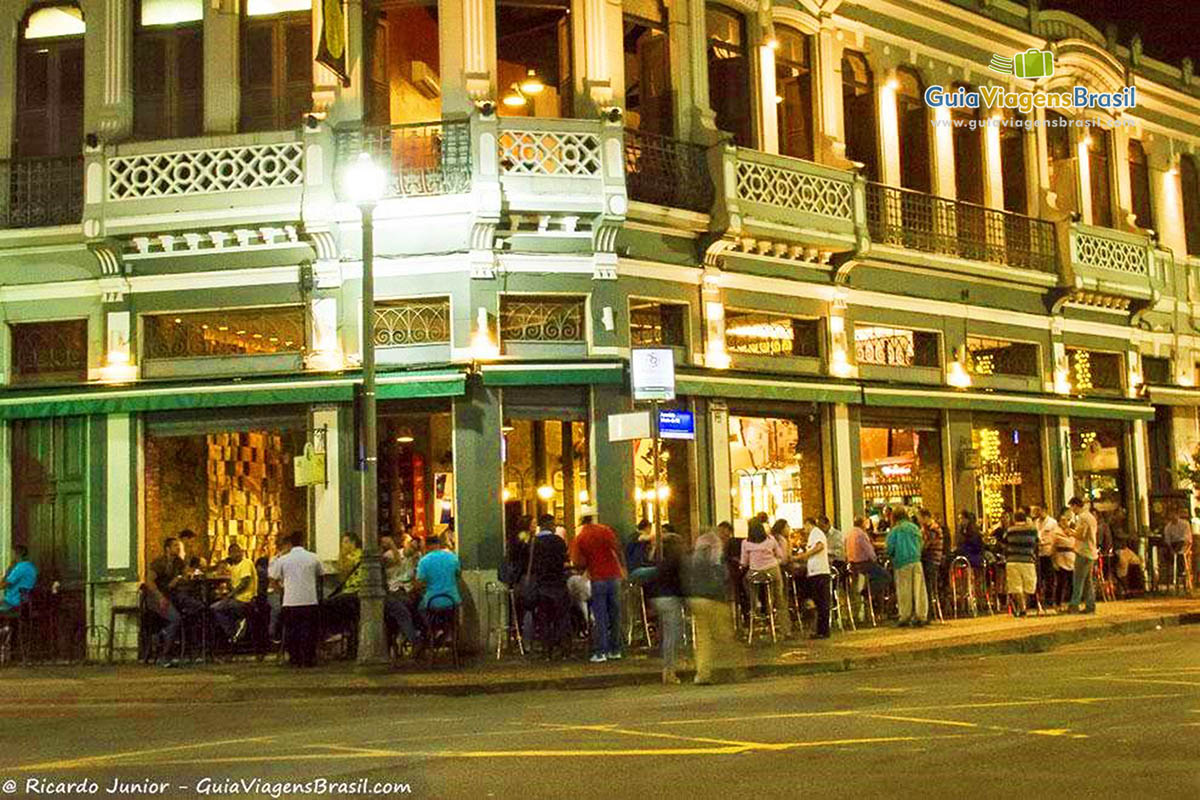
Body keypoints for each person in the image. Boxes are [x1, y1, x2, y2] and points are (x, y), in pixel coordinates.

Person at [570, 514, 625, 663]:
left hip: (597, 577)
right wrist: (623, 569)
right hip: (614, 575)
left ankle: (601, 651)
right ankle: (616, 649)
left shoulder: (581, 537)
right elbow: (617, 548)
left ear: (581, 523)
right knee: (615, 614)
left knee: (600, 616)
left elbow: (577, 561)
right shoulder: (605, 530)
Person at [685, 529, 736, 685]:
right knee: (725, 636)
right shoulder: (716, 556)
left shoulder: (693, 558)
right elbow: (724, 577)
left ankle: (702, 674)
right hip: (714, 600)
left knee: (703, 640)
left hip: (696, 599)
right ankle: (733, 669)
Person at [268, 532, 323, 667]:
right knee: (309, 631)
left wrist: (282, 591)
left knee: (293, 631)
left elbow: (273, 579)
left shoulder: (283, 560)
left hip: (290, 600)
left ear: (290, 543)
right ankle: (309, 659)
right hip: (310, 600)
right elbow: (321, 575)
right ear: (304, 542)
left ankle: (295, 659)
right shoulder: (313, 558)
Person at [526, 515, 569, 658]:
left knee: (544, 618)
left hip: (542, 585)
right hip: (558, 583)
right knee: (561, 617)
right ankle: (562, 649)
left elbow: (531, 565)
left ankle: (546, 650)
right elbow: (564, 560)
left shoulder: (535, 543)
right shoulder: (559, 541)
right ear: (550, 525)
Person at [739, 519, 790, 638]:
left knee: (745, 581)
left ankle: (755, 601)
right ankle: (785, 630)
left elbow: (744, 562)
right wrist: (775, 561)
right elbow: (781, 555)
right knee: (779, 598)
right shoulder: (770, 540)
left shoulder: (746, 543)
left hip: (755, 572)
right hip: (772, 570)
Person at [648, 533, 685, 684]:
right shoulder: (677, 561)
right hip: (670, 599)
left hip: (658, 598)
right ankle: (669, 670)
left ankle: (668, 668)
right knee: (672, 635)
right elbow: (680, 582)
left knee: (668, 634)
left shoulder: (661, 562)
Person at [885, 507, 928, 627]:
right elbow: (921, 542)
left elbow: (889, 548)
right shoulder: (914, 528)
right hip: (916, 560)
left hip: (901, 562)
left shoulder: (895, 530)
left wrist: (891, 555)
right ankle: (921, 615)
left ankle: (905, 615)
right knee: (919, 589)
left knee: (904, 591)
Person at [210, 543, 256, 645]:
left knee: (215, 608)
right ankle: (236, 629)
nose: (237, 554)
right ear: (230, 554)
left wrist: (230, 595)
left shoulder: (246, 563)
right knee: (217, 607)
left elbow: (245, 582)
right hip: (236, 599)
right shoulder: (234, 567)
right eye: (234, 552)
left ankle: (233, 634)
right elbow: (231, 584)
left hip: (245, 600)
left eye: (238, 551)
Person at [381, 535, 420, 653]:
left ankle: (409, 637)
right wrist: (392, 546)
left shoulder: (416, 558)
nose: (412, 550)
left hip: (404, 591)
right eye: (411, 545)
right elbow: (395, 561)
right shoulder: (391, 555)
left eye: (415, 548)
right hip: (394, 591)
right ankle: (411, 638)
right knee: (403, 608)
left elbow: (416, 577)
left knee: (409, 607)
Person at [326, 532, 363, 657]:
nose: (343, 545)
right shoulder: (354, 555)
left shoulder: (355, 556)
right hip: (350, 591)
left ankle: (336, 632)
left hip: (354, 592)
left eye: (345, 542)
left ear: (353, 543)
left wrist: (342, 556)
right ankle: (345, 632)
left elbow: (343, 572)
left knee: (329, 604)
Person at [794, 518, 831, 639]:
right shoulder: (814, 535)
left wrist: (804, 555)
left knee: (821, 602)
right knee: (819, 602)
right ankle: (821, 630)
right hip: (815, 572)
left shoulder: (816, 533)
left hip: (819, 572)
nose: (804, 530)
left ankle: (823, 631)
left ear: (808, 524)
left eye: (805, 526)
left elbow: (819, 546)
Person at [1004, 510, 1039, 617]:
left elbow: (1004, 541)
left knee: (1015, 586)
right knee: (1029, 586)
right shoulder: (1032, 530)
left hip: (1012, 560)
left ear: (1015, 519)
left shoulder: (1010, 530)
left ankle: (1021, 607)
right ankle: (1024, 606)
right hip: (1027, 560)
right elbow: (1037, 542)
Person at [1066, 497, 1098, 614]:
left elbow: (1081, 535)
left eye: (1072, 507)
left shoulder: (1083, 518)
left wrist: (1070, 532)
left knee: (1078, 580)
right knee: (1087, 581)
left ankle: (1074, 605)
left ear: (1075, 505)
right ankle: (1090, 605)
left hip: (1083, 552)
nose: (1072, 510)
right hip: (1091, 552)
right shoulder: (1091, 517)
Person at [918, 509, 944, 622]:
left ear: (925, 517)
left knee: (927, 586)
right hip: (934, 559)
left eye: (920, 517)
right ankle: (929, 611)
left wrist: (917, 551)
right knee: (928, 586)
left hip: (930, 559)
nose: (919, 520)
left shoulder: (932, 529)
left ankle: (929, 613)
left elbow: (926, 545)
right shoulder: (930, 528)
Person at [1051, 509, 1077, 609]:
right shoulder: (1056, 532)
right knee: (1061, 583)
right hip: (1060, 559)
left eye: (1066, 520)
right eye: (1062, 521)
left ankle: (1071, 602)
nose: (1064, 523)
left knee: (1072, 583)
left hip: (1071, 559)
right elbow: (1053, 547)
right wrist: (1054, 561)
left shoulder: (1072, 532)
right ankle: (1058, 603)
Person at [0, 546, 37, 613]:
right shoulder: (31, 566)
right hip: (25, 602)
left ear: (17, 555)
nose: (10, 556)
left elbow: (2, 585)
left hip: (13, 603)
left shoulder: (20, 567)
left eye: (11, 553)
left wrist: (8, 569)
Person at [1162, 510, 1192, 587]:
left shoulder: (1185, 524)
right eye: (1171, 515)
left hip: (1185, 544)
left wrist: (1178, 548)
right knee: (1167, 552)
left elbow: (1186, 538)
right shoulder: (1168, 527)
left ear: (1177, 515)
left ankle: (1181, 570)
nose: (1173, 517)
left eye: (1174, 514)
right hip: (1173, 545)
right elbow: (1167, 540)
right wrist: (1171, 549)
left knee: (1180, 551)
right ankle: (1174, 573)